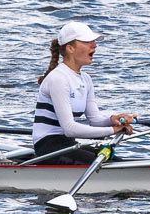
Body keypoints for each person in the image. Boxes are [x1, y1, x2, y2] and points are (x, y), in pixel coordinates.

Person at [30, 21, 135, 163]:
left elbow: (95, 120)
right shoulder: (58, 78)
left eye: (94, 41)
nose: (94, 45)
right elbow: (69, 129)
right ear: (70, 48)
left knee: (114, 161)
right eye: (87, 41)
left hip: (66, 144)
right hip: (48, 147)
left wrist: (113, 120)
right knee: (105, 164)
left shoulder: (85, 79)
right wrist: (112, 131)